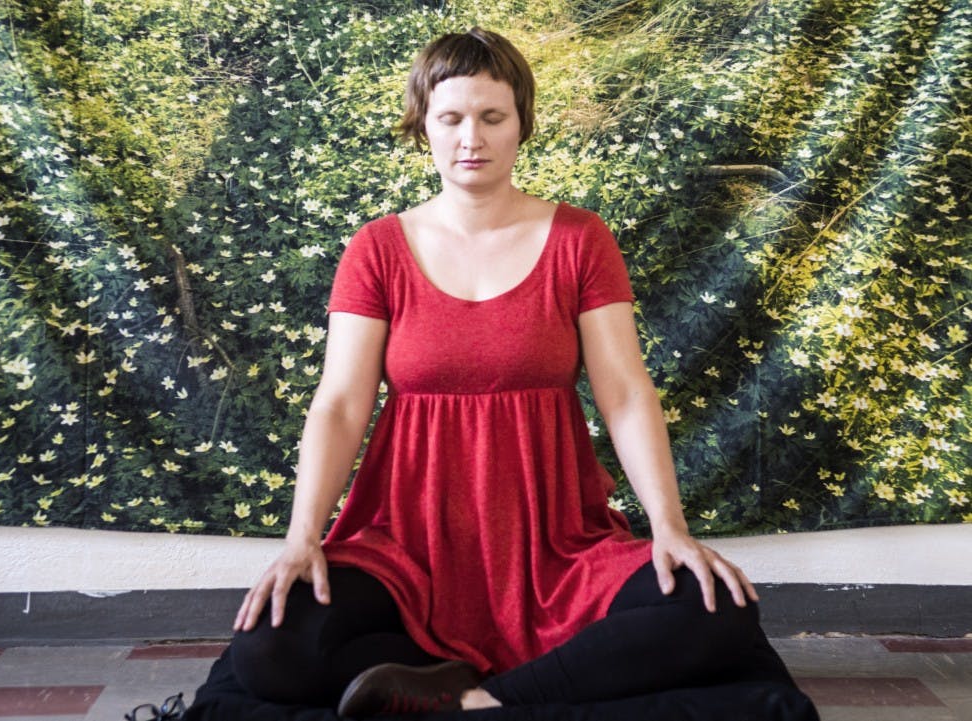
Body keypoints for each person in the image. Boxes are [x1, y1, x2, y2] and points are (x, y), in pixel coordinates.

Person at [186, 27, 818, 721]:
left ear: (521, 123)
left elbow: (625, 393)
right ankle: (466, 676)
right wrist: (302, 536)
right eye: (451, 118)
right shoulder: (377, 249)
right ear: (423, 125)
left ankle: (477, 699)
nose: (471, 138)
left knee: (717, 610)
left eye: (492, 117)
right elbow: (338, 404)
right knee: (268, 649)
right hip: (405, 548)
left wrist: (670, 527)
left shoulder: (581, 239)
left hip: (558, 546)